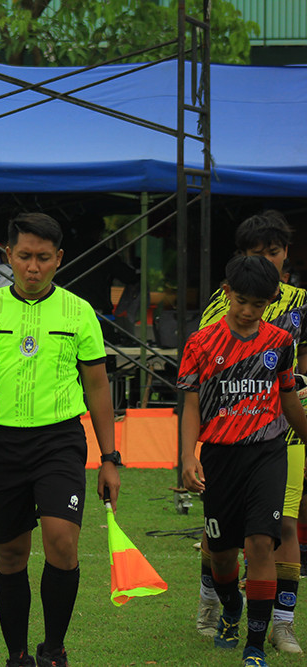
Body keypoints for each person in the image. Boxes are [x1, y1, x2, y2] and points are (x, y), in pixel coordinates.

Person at [0, 212, 121, 667]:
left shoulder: (79, 312)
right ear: (8, 256)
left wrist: (110, 456)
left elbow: (99, 387)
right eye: (24, 256)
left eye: (44, 258)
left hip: (59, 441)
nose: (33, 267)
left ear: (59, 259)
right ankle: (17, 654)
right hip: (0, 442)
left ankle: (54, 649)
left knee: (62, 541)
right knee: (11, 553)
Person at [180, 254, 307, 667]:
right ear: (226, 292)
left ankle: (254, 643)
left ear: (270, 302)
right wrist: (187, 456)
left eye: (259, 305)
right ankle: (230, 606)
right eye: (242, 302)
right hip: (219, 456)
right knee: (221, 552)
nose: (249, 312)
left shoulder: (279, 342)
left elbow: (288, 398)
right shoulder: (200, 343)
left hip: (268, 454)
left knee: (260, 543)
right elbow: (191, 403)